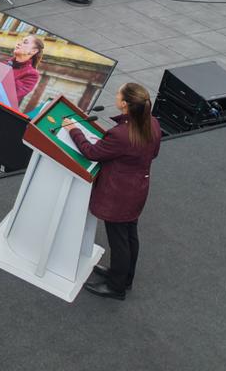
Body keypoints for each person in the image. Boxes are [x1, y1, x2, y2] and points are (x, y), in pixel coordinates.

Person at [63, 82, 162, 300]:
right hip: (137, 190)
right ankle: (125, 277)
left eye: (118, 94)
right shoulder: (152, 123)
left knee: (118, 241)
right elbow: (153, 153)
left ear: (125, 105)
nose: (115, 95)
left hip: (119, 195)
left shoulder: (121, 134)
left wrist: (74, 130)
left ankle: (116, 287)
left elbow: (91, 151)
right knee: (129, 236)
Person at [6, 34, 45, 107]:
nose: (18, 43)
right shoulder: (4, 63)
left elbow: (13, 94)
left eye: (25, 42)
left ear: (33, 51)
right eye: (21, 41)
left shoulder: (32, 74)